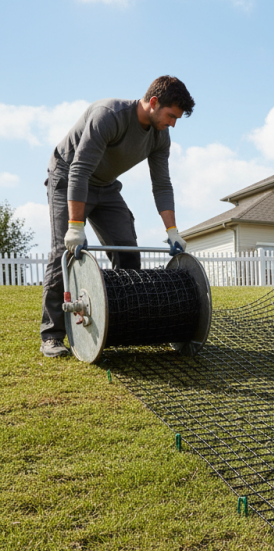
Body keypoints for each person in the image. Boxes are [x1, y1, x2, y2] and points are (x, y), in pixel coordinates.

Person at [40, 76, 195, 357]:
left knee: (128, 253)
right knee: (62, 252)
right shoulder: (109, 116)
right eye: (171, 115)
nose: (173, 123)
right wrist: (76, 227)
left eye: (177, 119)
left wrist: (172, 230)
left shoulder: (160, 136)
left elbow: (162, 184)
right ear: (153, 102)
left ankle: (116, 321)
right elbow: (79, 170)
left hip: (106, 186)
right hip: (68, 176)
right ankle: (51, 335)